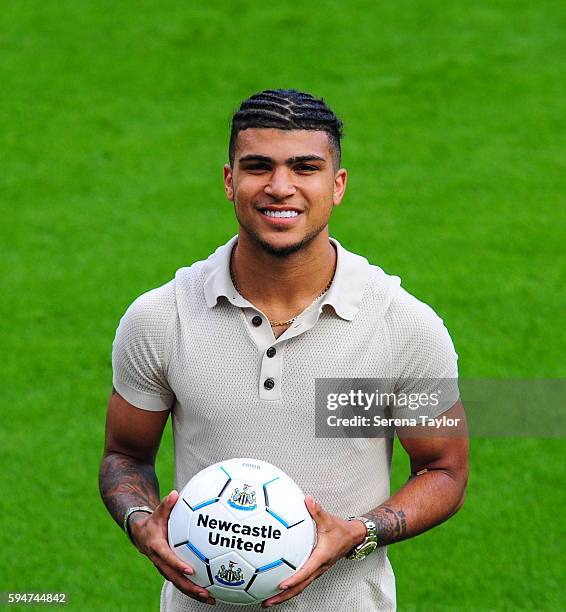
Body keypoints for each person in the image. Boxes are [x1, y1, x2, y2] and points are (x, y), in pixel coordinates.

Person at [99, 89, 468, 611]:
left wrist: (358, 533)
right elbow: (125, 454)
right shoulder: (161, 318)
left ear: (336, 185)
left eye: (305, 167)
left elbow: (444, 469)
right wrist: (141, 523)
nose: (280, 187)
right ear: (229, 180)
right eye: (257, 167)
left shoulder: (402, 325)